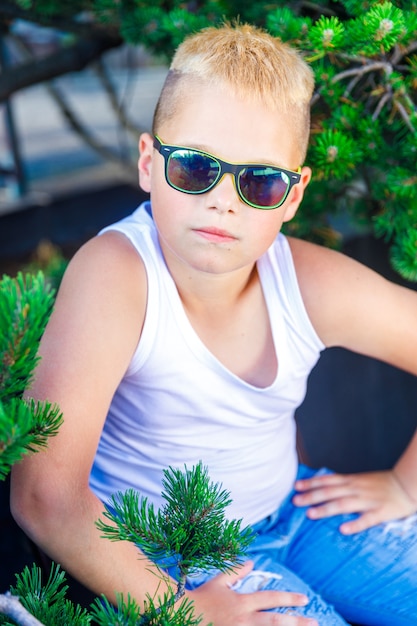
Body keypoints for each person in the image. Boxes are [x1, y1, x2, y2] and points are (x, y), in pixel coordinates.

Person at [10, 22, 417, 626]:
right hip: (165, 558)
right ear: (149, 163)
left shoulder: (307, 281)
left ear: (294, 195)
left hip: (291, 514)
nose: (224, 199)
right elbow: (44, 495)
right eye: (197, 168)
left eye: (259, 180)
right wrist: (185, 610)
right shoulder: (119, 274)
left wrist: (406, 488)